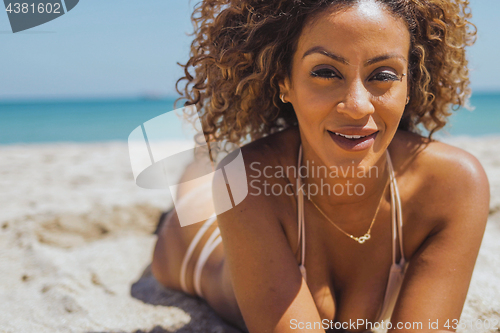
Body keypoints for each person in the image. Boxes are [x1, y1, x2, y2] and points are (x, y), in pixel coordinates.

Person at [151, 0, 490, 332]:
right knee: (199, 185)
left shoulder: (453, 185)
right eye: (326, 72)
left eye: (383, 75)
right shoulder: (242, 179)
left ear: (409, 85)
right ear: (285, 81)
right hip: (196, 244)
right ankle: (197, 165)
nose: (357, 107)